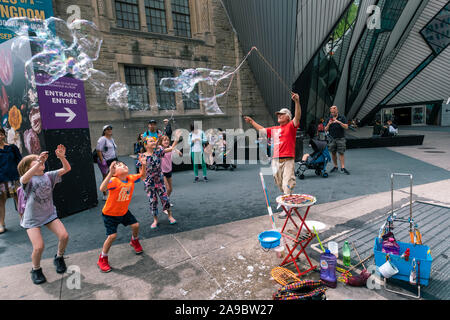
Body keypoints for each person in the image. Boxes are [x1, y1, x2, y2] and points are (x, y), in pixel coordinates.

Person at [17, 145, 71, 284]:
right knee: (39, 247)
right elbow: (23, 179)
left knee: (64, 236)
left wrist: (61, 157)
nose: (40, 161)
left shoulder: (49, 176)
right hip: (32, 219)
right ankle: (36, 269)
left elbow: (67, 169)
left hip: (48, 214)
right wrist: (39, 162)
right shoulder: (28, 180)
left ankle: (59, 257)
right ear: (29, 167)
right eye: (35, 160)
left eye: (40, 159)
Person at [244, 92, 301, 218]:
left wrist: (297, 102)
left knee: (287, 182)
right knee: (280, 183)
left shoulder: (291, 126)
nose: (279, 116)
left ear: (288, 117)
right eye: (278, 114)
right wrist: (252, 122)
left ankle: (287, 208)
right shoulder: (275, 129)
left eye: (282, 114)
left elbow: (297, 117)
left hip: (288, 160)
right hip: (275, 160)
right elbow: (262, 130)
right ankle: (289, 200)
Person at [97, 155, 147, 273]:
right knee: (112, 236)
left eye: (123, 164)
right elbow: (102, 188)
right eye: (119, 165)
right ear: (114, 172)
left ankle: (134, 240)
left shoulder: (130, 178)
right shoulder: (114, 180)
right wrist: (110, 173)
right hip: (110, 214)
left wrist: (143, 164)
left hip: (123, 211)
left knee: (135, 225)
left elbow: (143, 176)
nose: (123, 165)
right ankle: (102, 258)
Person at [141, 136, 179, 229]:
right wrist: (143, 166)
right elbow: (142, 175)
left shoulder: (158, 153)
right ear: (146, 145)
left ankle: (170, 216)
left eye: (154, 141)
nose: (153, 142)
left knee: (165, 199)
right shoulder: (142, 156)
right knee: (153, 202)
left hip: (160, 181)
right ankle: (155, 220)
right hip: (150, 184)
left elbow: (170, 149)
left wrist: (176, 140)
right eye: (151, 141)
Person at [0, 127, 22, 233]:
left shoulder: (12, 147)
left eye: (1, 134)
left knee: (18, 198)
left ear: (4, 135)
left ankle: (24, 219)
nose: (0, 136)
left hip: (14, 178)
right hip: (1, 180)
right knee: (1, 202)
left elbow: (20, 161)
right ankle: (1, 224)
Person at [325, 106, 350, 175]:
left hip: (340, 138)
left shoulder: (342, 117)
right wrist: (329, 124)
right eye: (332, 112)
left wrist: (339, 122)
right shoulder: (329, 118)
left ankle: (343, 167)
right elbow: (325, 129)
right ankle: (335, 166)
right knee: (333, 153)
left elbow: (346, 127)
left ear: (337, 111)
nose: (333, 113)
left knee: (341, 153)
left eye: (334, 112)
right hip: (332, 138)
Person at [96, 125, 118, 200]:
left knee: (114, 176)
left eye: (110, 129)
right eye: (107, 129)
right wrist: (102, 161)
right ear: (104, 131)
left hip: (113, 159)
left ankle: (113, 192)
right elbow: (98, 150)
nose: (109, 130)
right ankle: (105, 195)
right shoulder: (102, 139)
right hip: (105, 161)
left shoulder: (111, 139)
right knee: (106, 177)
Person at [158, 135, 182, 200]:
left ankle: (166, 199)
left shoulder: (171, 147)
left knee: (170, 189)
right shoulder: (160, 148)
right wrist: (176, 139)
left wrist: (179, 153)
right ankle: (165, 202)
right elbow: (171, 149)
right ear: (161, 142)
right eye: (164, 140)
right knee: (167, 188)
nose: (166, 141)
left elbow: (179, 154)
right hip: (161, 171)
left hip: (169, 170)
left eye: (168, 140)